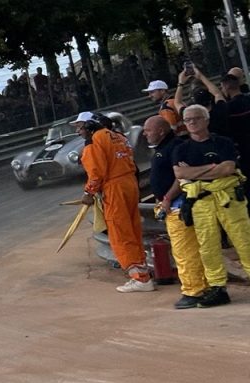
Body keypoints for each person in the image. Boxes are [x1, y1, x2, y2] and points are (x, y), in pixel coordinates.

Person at [172, 104, 250, 307]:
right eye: (187, 120)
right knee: (207, 247)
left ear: (206, 120)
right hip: (201, 202)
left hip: (228, 199)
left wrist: (195, 172)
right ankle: (217, 288)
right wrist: (212, 167)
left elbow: (228, 168)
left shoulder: (223, 142)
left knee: (244, 240)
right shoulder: (181, 148)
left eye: (196, 118)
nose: (192, 122)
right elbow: (180, 174)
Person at [73, 111, 153, 292]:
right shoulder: (118, 136)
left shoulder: (94, 141)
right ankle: (143, 271)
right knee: (132, 230)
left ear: (90, 125)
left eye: (80, 127)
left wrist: (89, 193)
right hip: (130, 184)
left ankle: (140, 278)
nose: (78, 131)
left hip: (114, 188)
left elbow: (96, 172)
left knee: (120, 233)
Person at [143, 115, 208, 308]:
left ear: (161, 131)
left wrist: (167, 198)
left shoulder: (175, 147)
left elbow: (181, 177)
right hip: (172, 206)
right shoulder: (164, 147)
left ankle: (194, 291)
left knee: (184, 251)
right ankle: (202, 286)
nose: (144, 134)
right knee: (188, 250)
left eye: (148, 130)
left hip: (178, 206)